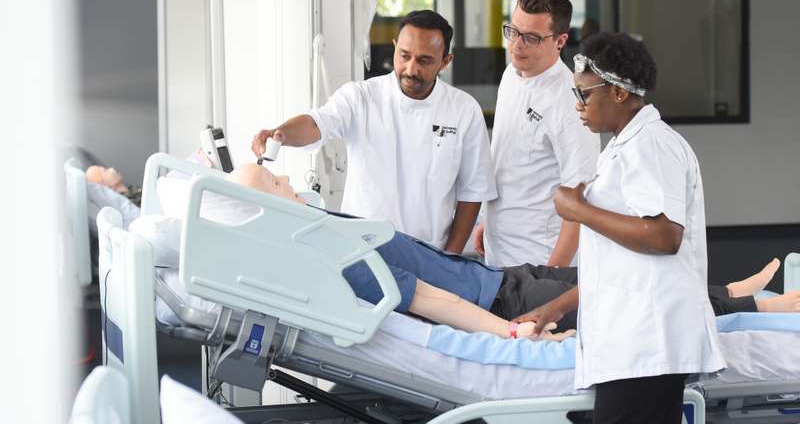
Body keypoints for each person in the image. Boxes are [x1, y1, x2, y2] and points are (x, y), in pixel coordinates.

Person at [228, 163, 800, 343]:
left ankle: (731, 292)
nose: (286, 178)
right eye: (275, 182)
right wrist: (511, 336)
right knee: (643, 301)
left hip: (504, 277)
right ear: (277, 208)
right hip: (509, 303)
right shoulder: (332, 255)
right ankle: (770, 311)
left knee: (630, 275)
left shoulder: (324, 226)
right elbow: (428, 300)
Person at [517, 32, 725, 424]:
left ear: (617, 93)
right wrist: (556, 307)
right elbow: (620, 262)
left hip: (648, 345)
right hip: (634, 347)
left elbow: (665, 236)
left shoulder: (652, 146)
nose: (577, 105)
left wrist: (577, 210)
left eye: (584, 94)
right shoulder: (623, 146)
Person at [252, 10, 496, 253]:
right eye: (404, 55)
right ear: (394, 47)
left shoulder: (464, 110)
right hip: (364, 250)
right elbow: (317, 124)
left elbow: (472, 191)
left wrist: (450, 257)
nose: (411, 69)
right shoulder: (360, 97)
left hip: (430, 253)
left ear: (445, 61)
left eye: (424, 60)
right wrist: (281, 133)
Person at [476, 0, 600, 267]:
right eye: (513, 31)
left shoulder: (570, 103)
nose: (517, 44)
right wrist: (488, 220)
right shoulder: (511, 74)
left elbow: (581, 204)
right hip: (498, 253)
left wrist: (549, 279)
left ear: (560, 41)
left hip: (539, 262)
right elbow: (507, 161)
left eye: (531, 37)